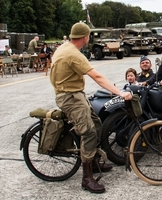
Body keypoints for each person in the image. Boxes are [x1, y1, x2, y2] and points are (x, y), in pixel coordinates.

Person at [50, 22, 132, 194]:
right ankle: (87, 178)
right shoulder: (74, 54)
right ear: (86, 37)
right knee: (88, 133)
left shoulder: (63, 47)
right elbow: (97, 76)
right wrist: (119, 93)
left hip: (73, 93)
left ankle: (94, 161)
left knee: (97, 124)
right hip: (69, 96)